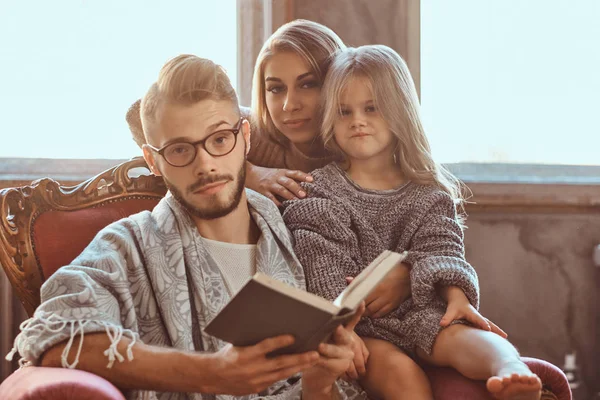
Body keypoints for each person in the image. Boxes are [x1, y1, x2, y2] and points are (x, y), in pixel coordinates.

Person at [8, 55, 367, 400]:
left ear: (244, 137)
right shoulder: (126, 245)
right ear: (153, 160)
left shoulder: (298, 232)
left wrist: (319, 381)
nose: (205, 165)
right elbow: (56, 337)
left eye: (219, 139)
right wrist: (212, 373)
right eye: (180, 150)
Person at [281, 45, 543, 400]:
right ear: (330, 118)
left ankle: (511, 371)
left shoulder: (428, 193)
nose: (357, 120)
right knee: (401, 377)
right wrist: (342, 333)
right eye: (345, 111)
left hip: (422, 313)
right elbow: (320, 264)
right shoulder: (321, 192)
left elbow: (442, 248)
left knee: (472, 339)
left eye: (371, 108)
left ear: (398, 111)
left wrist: (457, 299)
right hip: (364, 329)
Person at [126, 20, 345, 206]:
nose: (289, 105)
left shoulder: (365, 143)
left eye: (307, 85)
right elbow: (137, 115)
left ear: (339, 83)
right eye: (276, 89)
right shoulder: (252, 130)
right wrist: (248, 173)